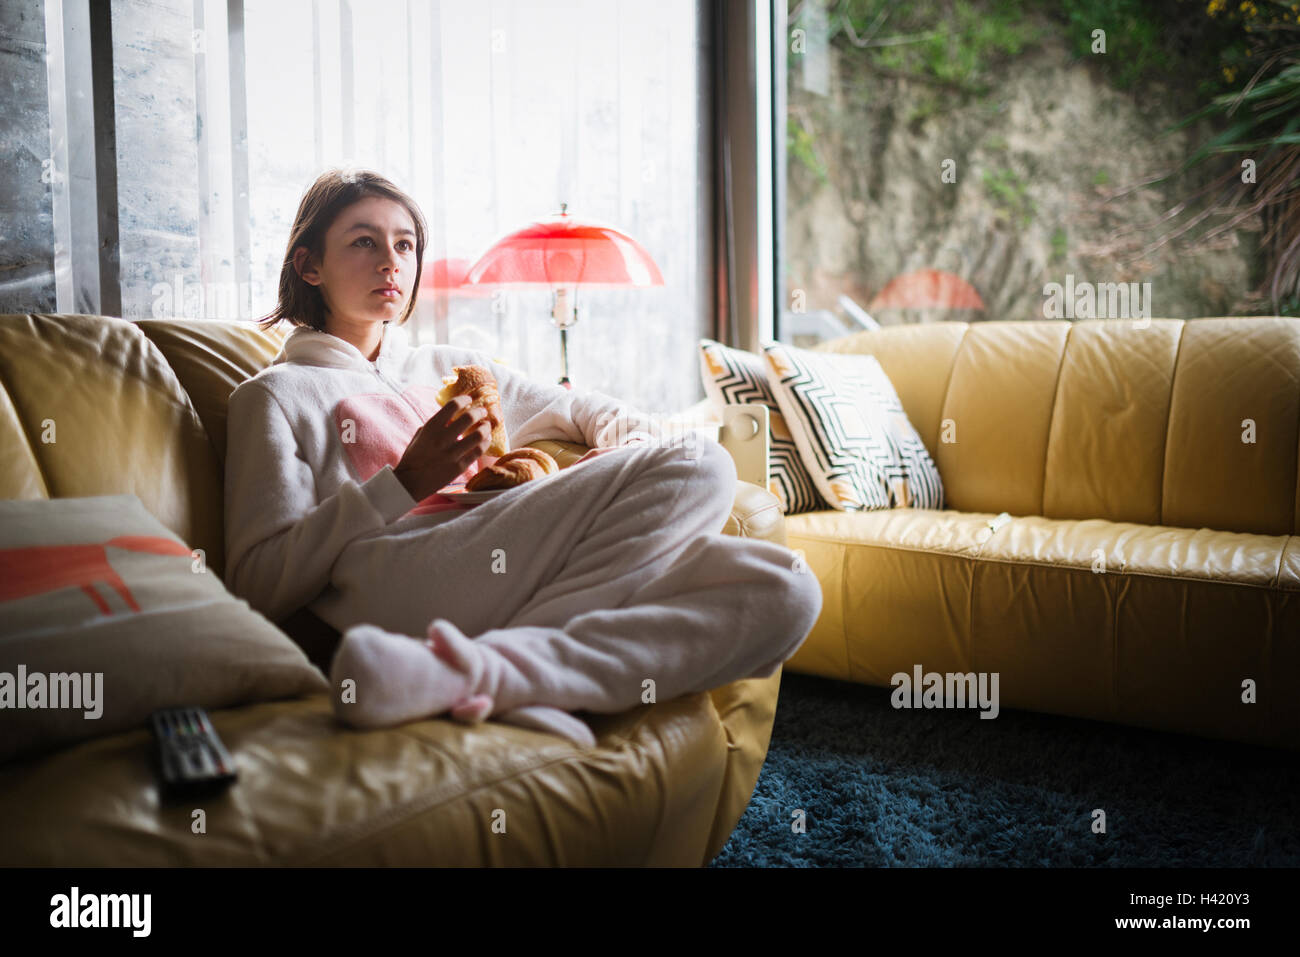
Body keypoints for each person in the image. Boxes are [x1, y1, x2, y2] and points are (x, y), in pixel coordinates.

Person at [223, 167, 823, 747]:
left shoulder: (447, 366)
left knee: (785, 589)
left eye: (405, 245)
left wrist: (632, 449)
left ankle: (488, 675)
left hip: (511, 559)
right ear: (309, 265)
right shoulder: (272, 396)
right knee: (702, 463)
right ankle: (530, 673)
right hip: (407, 573)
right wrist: (403, 484)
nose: (391, 262)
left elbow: (582, 410)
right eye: (363, 242)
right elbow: (256, 582)